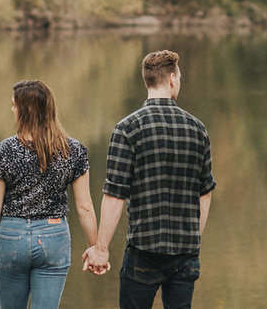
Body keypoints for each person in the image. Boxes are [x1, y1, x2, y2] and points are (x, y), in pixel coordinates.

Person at [82, 49, 215, 309]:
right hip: (185, 252)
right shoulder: (198, 129)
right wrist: (192, 239)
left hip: (144, 249)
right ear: (173, 79)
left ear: (147, 81)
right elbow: (205, 191)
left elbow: (115, 194)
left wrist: (101, 249)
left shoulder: (128, 128)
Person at [0, 79, 101, 309]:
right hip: (53, 234)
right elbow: (85, 206)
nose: (12, 109)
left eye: (14, 105)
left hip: (10, 236)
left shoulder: (2, 152)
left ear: (23, 110)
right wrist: (94, 247)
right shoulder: (73, 151)